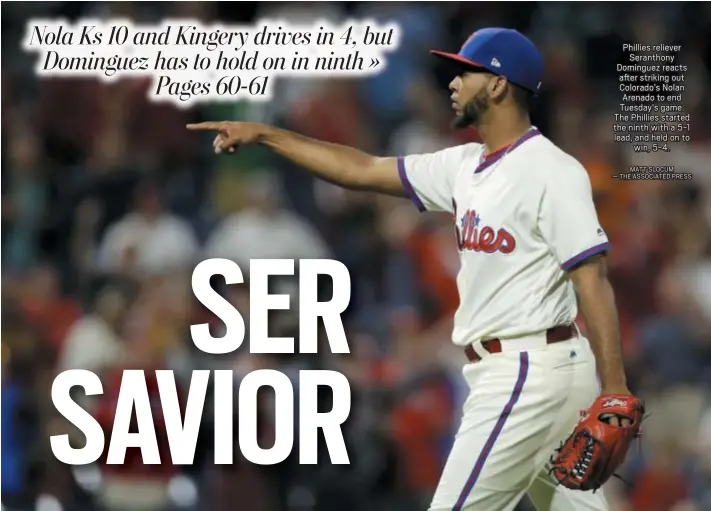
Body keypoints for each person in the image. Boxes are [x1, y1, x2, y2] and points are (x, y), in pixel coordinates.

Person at [188, 27, 634, 511]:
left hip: (527, 370)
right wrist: (269, 136)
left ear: (500, 86)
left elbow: (592, 278)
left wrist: (614, 391)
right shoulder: (464, 165)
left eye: (465, 73)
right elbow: (362, 170)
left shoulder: (550, 169)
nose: (452, 83)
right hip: (533, 368)